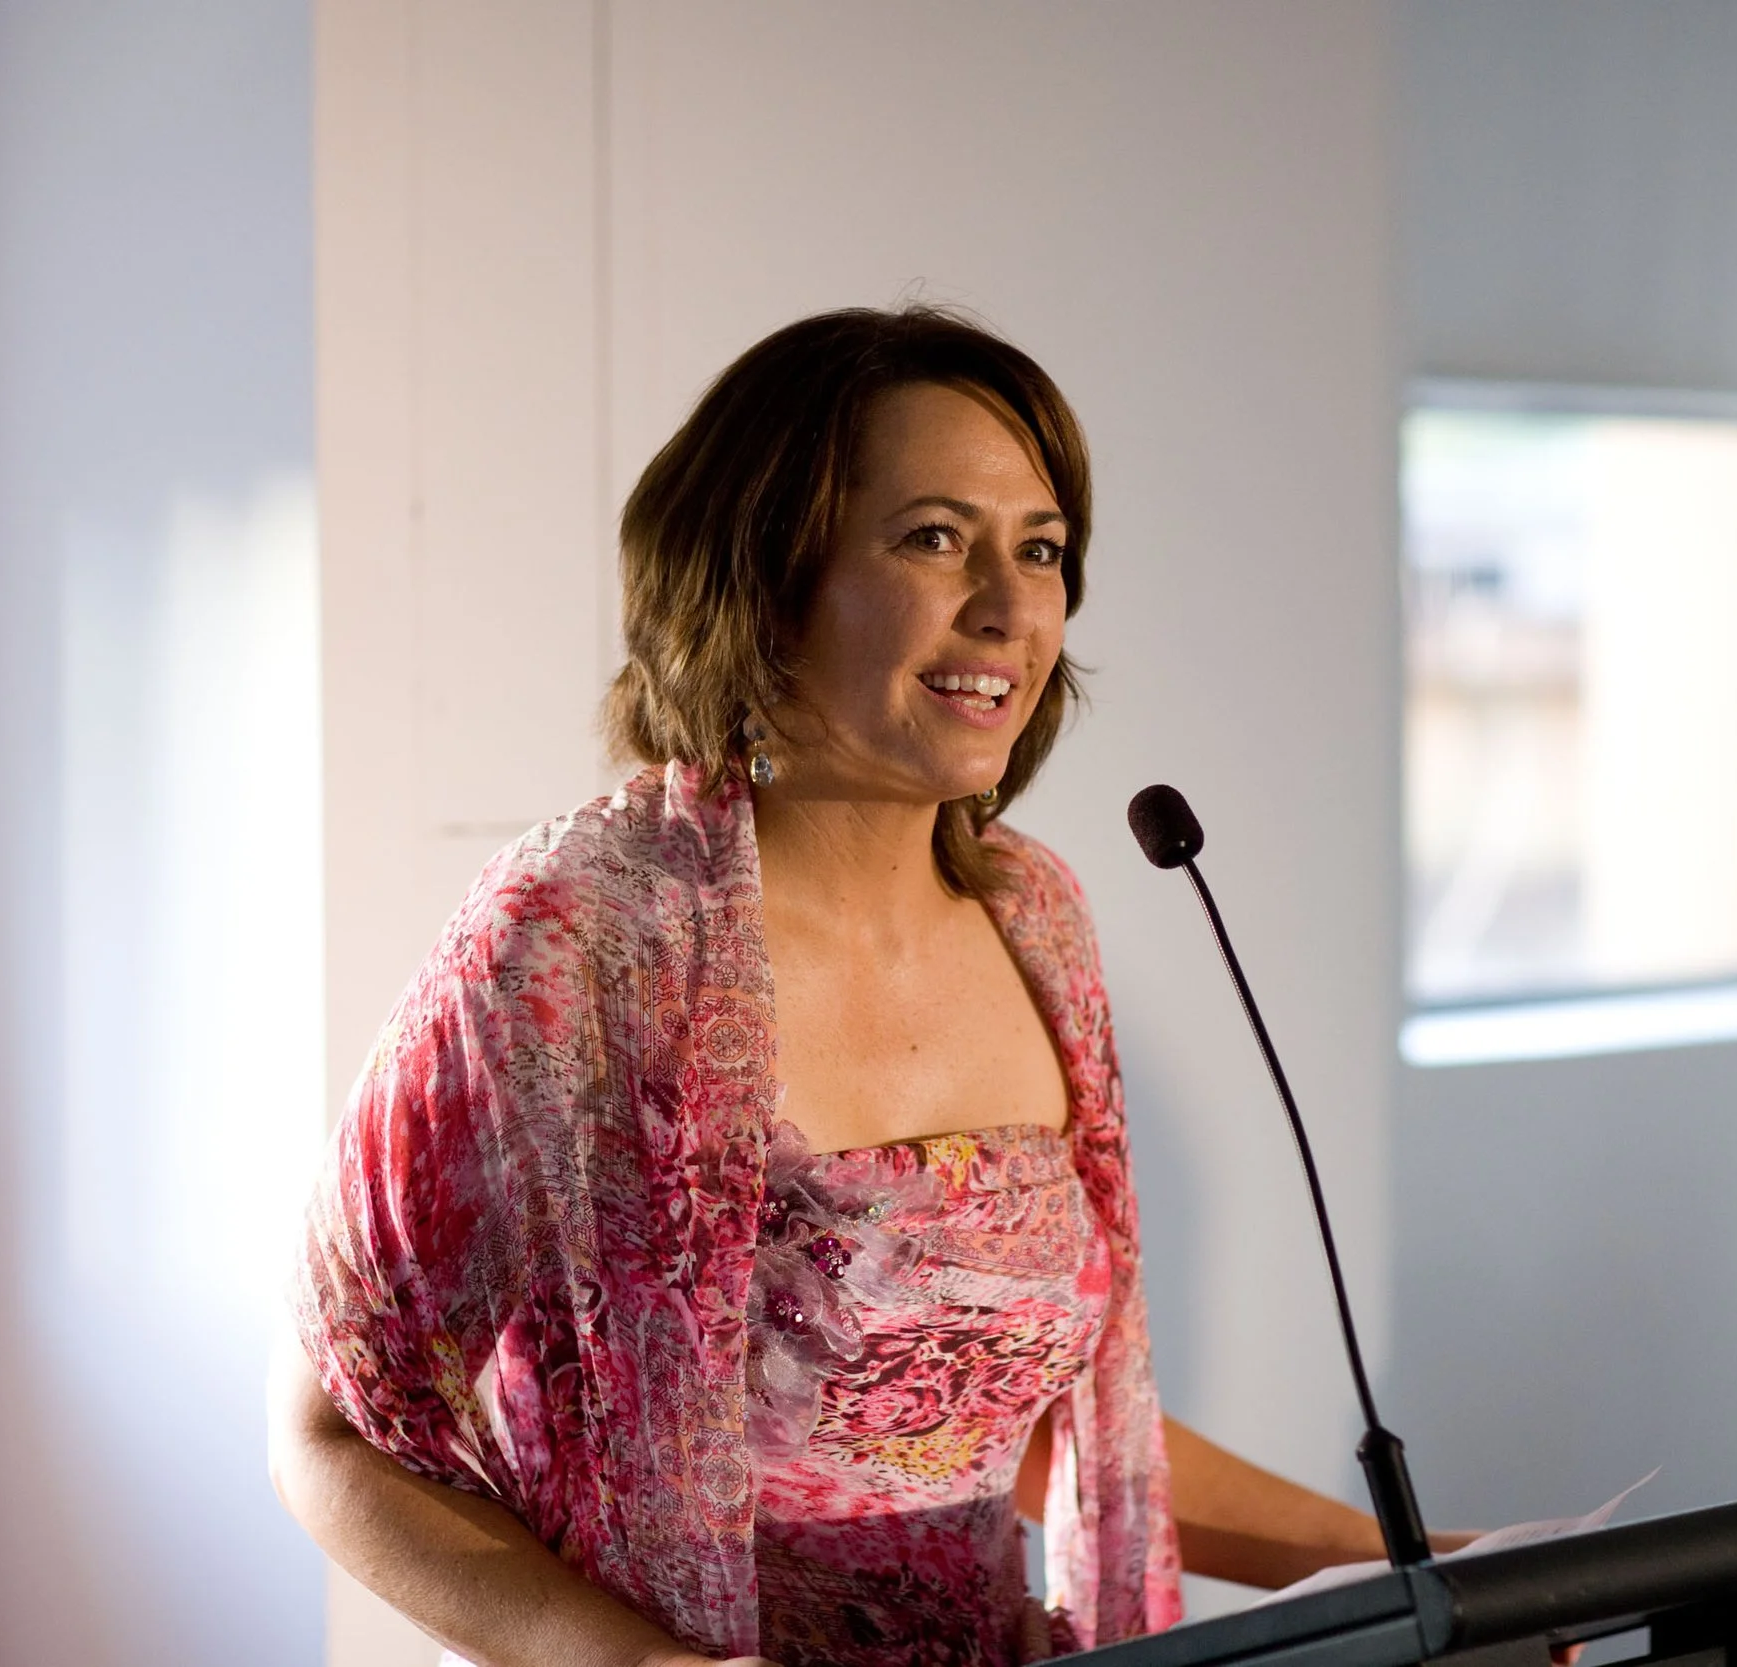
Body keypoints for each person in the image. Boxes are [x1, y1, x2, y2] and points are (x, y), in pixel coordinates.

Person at [269, 306, 1470, 1667]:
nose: (1011, 610)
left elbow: (1003, 1414)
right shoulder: (583, 934)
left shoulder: (1038, 916)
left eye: (1042, 548)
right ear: (766, 572)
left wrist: (1426, 1565)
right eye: (934, 538)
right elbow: (327, 1436)